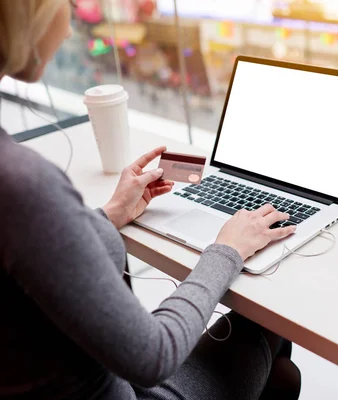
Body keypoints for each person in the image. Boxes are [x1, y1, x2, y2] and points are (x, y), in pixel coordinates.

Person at [0, 1, 301, 399]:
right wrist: (227, 249)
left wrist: (108, 215)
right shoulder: (23, 185)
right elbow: (153, 356)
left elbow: (31, 264)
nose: (71, 27)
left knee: (280, 375)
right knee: (271, 328)